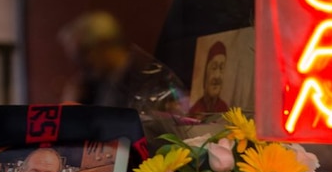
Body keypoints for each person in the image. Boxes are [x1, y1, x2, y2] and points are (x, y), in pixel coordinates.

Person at [58, 10, 188, 115]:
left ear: (103, 44)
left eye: (82, 55)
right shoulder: (93, 83)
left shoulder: (148, 76)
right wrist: (72, 103)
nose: (82, 66)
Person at [188, 40, 229, 115]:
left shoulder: (224, 108)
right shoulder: (195, 110)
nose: (217, 76)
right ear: (206, 73)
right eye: (214, 67)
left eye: (221, 68)